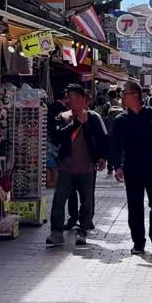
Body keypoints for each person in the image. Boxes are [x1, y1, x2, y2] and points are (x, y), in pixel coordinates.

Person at [108, 80, 152, 254]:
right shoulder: (121, 119)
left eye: (124, 93)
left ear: (135, 95)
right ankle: (138, 242)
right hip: (131, 169)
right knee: (135, 207)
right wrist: (117, 166)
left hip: (151, 167)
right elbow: (114, 145)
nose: (122, 97)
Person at [47, 85, 109, 248]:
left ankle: (83, 231)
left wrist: (102, 157)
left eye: (73, 97)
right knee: (59, 200)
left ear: (83, 100)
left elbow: (102, 139)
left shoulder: (93, 118)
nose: (70, 100)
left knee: (86, 201)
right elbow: (56, 135)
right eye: (68, 97)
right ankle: (56, 232)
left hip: (87, 167)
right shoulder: (63, 116)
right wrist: (75, 123)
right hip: (66, 167)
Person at [46, 97, 80, 230]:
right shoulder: (63, 112)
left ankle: (77, 219)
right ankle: (72, 221)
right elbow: (59, 132)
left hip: (70, 158)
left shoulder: (66, 112)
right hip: (66, 158)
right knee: (69, 193)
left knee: (69, 193)